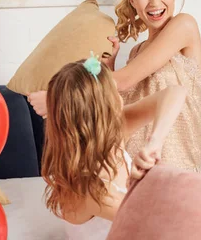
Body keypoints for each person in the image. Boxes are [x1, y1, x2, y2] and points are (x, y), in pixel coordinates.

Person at [30, 0, 201, 172]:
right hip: (134, 170)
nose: (155, 2)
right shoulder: (136, 53)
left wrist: (57, 98)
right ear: (132, 0)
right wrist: (109, 68)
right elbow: (121, 113)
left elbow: (123, 81)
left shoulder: (184, 26)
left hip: (177, 171)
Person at [41, 54, 187, 239]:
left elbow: (175, 92)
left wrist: (155, 142)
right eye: (114, 91)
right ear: (103, 108)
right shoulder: (91, 188)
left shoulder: (114, 132)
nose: (120, 97)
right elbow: (156, 225)